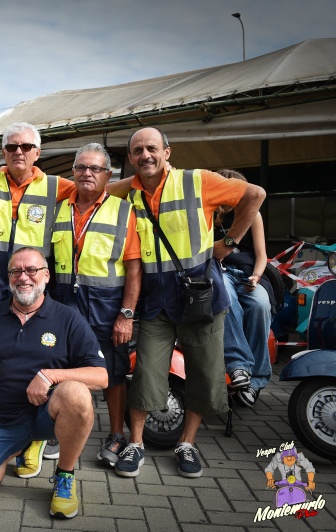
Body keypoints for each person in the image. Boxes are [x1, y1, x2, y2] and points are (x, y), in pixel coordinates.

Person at [114, 127, 266, 480]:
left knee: (204, 374)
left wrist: (229, 242)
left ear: (167, 152)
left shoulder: (198, 180)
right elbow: (90, 188)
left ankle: (187, 443)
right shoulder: (129, 191)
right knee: (146, 373)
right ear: (131, 158)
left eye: (152, 148)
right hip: (156, 301)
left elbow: (255, 194)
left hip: (201, 298)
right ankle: (136, 443)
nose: (145, 155)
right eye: (137, 151)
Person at [0, 247, 108, 519]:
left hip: (46, 416)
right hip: (0, 420)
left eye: (32, 270)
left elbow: (101, 377)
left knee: (76, 393)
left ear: (46, 275)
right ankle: (16, 448)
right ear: (8, 277)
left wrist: (51, 376)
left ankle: (65, 476)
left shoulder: (68, 318)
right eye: (16, 271)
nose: (23, 277)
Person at [46, 143, 142, 470]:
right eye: (81, 167)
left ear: (108, 175)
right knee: (60, 365)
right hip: (63, 304)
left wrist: (126, 315)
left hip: (106, 306)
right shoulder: (58, 209)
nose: (87, 173)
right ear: (73, 172)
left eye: (95, 168)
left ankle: (116, 435)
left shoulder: (123, 211)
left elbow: (134, 268)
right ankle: (56, 429)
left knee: (112, 373)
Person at [0, 123, 75, 313]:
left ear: (37, 153)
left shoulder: (54, 186)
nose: (18, 152)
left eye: (26, 146)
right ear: (4, 153)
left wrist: (132, 181)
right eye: (11, 147)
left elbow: (97, 189)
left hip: (30, 288)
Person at [214, 169, 273, 408]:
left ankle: (256, 380)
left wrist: (256, 276)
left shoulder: (252, 213)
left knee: (260, 304)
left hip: (250, 273)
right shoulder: (208, 213)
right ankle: (239, 366)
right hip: (220, 271)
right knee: (226, 297)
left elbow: (262, 255)